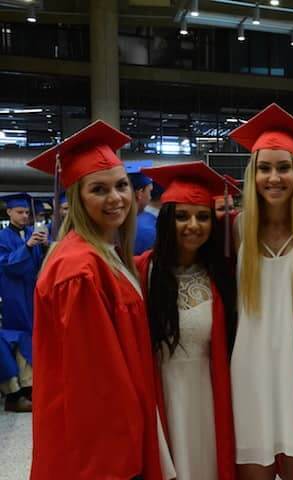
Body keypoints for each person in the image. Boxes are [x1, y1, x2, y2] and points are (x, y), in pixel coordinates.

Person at [27, 120, 174, 480]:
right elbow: (96, 382)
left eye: (122, 185)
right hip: (100, 449)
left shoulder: (103, 253)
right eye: (99, 189)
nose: (115, 198)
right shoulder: (80, 269)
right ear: (77, 197)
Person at [228, 103, 293, 480]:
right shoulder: (236, 230)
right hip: (250, 374)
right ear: (252, 173)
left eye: (283, 167)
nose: (274, 177)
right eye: (264, 168)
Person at [136, 162, 239, 480]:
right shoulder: (143, 271)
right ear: (168, 220)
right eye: (182, 216)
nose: (193, 225)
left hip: (210, 395)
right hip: (162, 394)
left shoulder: (222, 276)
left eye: (203, 216)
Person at [0, 193, 44, 412]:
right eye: (20, 212)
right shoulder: (2, 237)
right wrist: (26, 247)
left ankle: (34, 386)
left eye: (27, 212)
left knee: (35, 336)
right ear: (8, 212)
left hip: (32, 294)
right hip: (14, 296)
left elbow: (40, 266)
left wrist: (45, 247)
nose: (24, 216)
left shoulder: (31, 234)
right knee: (19, 338)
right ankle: (21, 389)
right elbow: (7, 264)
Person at [128, 160, 156, 254]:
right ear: (139, 193)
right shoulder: (148, 228)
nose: (150, 197)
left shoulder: (113, 222)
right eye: (149, 191)